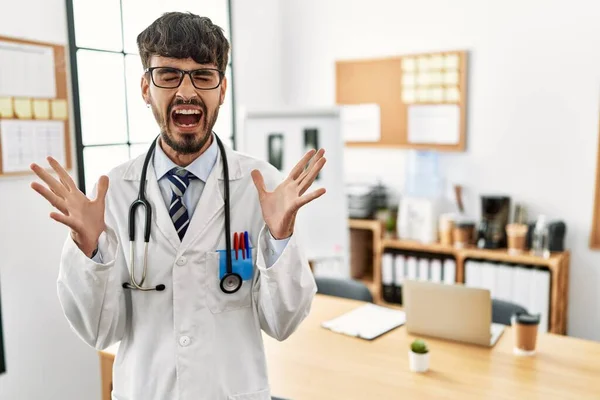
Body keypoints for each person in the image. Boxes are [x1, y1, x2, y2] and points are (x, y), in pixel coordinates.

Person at [30, 12, 326, 400]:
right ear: (144, 87)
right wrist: (90, 250)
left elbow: (283, 323)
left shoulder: (264, 187)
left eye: (203, 75)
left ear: (222, 89)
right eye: (168, 75)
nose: (187, 91)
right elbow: (100, 331)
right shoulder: (114, 192)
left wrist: (279, 238)